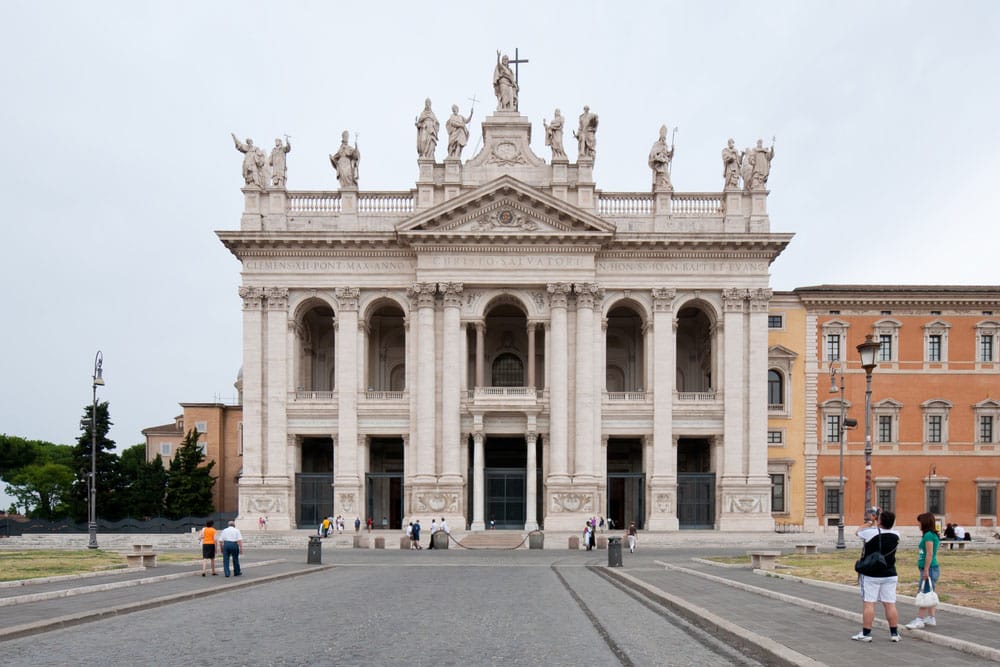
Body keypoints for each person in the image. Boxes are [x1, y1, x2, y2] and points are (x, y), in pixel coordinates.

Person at [852, 509, 901, 642]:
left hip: (871, 573)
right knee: (890, 604)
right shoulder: (896, 534)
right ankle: (894, 633)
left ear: (879, 521)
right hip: (890, 573)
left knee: (869, 603)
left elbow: (858, 531)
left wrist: (870, 522)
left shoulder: (870, 533)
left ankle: (866, 633)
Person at [907, 512, 940, 629]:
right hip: (930, 568)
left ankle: (920, 619)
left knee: (925, 594)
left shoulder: (928, 536)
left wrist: (926, 570)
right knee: (929, 593)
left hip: (930, 568)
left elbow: (929, 554)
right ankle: (931, 618)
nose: (918, 525)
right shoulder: (929, 535)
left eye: (920, 522)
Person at [648, 125, 674, 190]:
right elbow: (652, 153)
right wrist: (658, 156)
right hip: (659, 163)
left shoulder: (665, 145)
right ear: (660, 137)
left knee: (666, 175)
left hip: (664, 163)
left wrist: (673, 150)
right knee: (663, 175)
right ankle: (665, 185)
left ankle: (666, 185)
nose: (664, 139)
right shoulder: (656, 144)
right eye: (663, 138)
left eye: (665, 138)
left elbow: (668, 155)